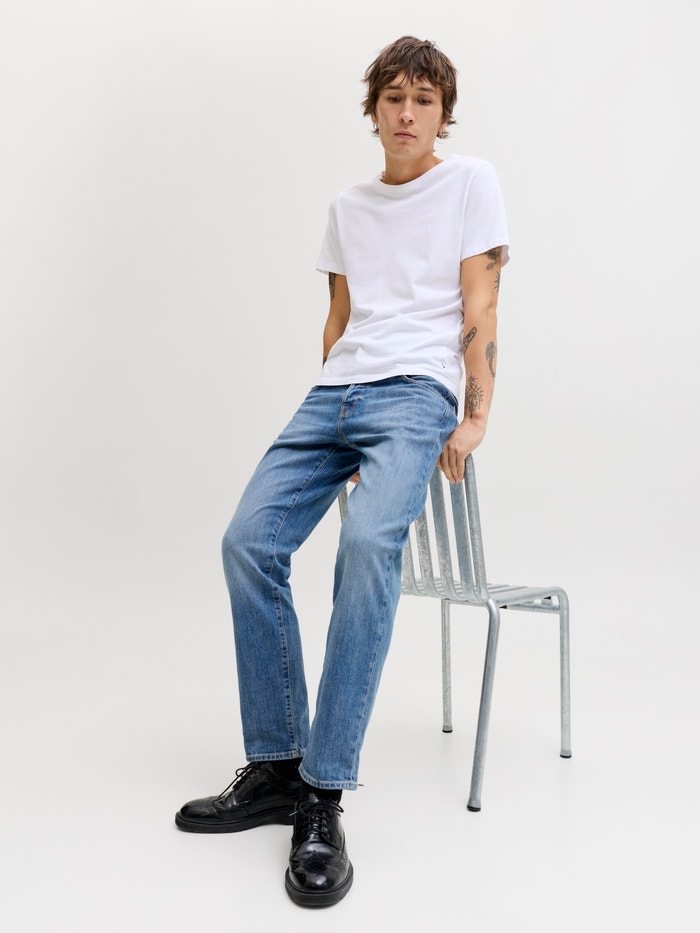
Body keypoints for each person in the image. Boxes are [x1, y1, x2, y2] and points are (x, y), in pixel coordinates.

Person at [175, 35, 509, 908]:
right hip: (336, 396)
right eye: (394, 97)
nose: (408, 112)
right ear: (373, 109)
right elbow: (339, 319)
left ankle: (324, 791)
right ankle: (278, 764)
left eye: (424, 100)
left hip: (417, 396)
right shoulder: (347, 207)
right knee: (248, 542)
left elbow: (481, 305)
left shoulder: (471, 184)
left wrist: (475, 414)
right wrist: (340, 422)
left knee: (366, 547)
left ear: (443, 113)